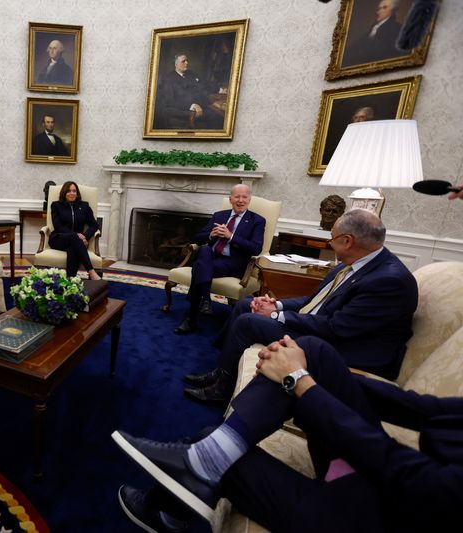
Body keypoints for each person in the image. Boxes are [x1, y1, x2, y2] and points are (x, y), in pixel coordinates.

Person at [113, 334, 463, 532]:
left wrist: (298, 382)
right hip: (383, 476)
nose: (453, 198)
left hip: (386, 515)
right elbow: (421, 408)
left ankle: (173, 503)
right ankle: (203, 464)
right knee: (313, 351)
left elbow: (423, 484)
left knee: (210, 438)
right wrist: (305, 371)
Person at [184, 208, 417, 404]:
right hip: (327, 328)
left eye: (332, 239)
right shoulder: (351, 265)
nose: (330, 243)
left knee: (248, 321)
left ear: (347, 241)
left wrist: (275, 315)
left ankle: (221, 390)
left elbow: (337, 327)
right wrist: (276, 303)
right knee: (247, 304)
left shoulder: (388, 280)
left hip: (345, 346)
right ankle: (223, 372)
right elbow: (313, 301)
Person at [174, 184, 265, 335]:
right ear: (230, 199)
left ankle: (192, 317)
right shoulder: (219, 215)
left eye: (244, 197)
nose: (240, 200)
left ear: (249, 200)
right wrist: (211, 235)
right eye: (237, 196)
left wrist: (231, 237)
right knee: (204, 250)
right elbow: (197, 237)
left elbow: (256, 248)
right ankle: (205, 300)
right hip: (211, 258)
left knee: (199, 268)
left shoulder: (257, 220)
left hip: (233, 263)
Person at [49, 181, 101, 281]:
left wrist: (84, 236)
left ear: (77, 193)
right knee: (74, 238)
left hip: (77, 242)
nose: (72, 193)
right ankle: (91, 271)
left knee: (73, 248)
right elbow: (58, 227)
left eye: (74, 191)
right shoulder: (56, 206)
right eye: (68, 191)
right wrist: (77, 235)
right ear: (64, 193)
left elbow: (94, 225)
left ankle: (70, 280)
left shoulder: (84, 206)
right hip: (58, 239)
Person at [155, 53, 221, 130]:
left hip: (202, 105)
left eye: (187, 60)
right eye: (183, 61)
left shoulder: (190, 73)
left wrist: (219, 89)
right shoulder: (168, 79)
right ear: (176, 64)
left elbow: (202, 85)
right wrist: (191, 105)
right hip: (186, 111)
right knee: (217, 119)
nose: (187, 63)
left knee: (218, 114)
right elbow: (170, 101)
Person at [345, 0, 403, 66]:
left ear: (393, 11)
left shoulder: (396, 28)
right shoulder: (375, 27)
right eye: (379, 8)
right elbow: (360, 43)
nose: (378, 12)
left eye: (384, 7)